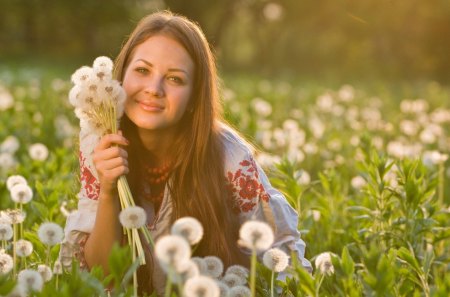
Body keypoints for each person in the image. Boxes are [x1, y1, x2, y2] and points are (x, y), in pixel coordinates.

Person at [61, 10, 311, 295]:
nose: (153, 89)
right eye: (142, 70)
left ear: (194, 97)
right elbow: (102, 276)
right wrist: (108, 190)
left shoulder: (230, 158)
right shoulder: (101, 141)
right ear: (121, 77)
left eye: (175, 79)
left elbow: (283, 257)